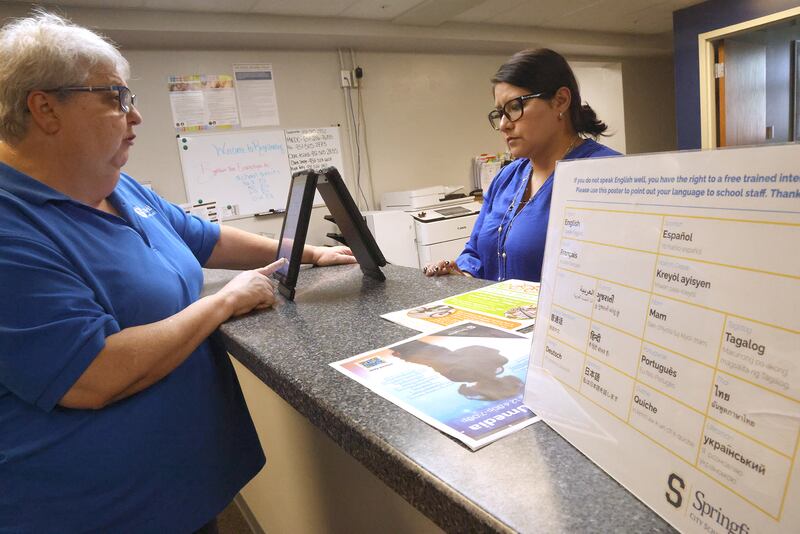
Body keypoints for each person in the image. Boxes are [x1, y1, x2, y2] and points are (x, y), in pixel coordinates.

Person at [0, 12, 357, 533]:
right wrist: (222, 303)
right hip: (94, 510)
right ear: (46, 108)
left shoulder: (117, 187)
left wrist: (304, 251)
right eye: (116, 98)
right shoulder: (11, 226)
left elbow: (203, 238)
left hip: (183, 487)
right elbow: (90, 375)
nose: (136, 116)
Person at [423, 48, 620, 282]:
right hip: (496, 315)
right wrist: (461, 273)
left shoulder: (606, 175)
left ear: (560, 101)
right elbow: (475, 253)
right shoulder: (506, 178)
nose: (504, 124)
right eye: (499, 113)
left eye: (515, 107)